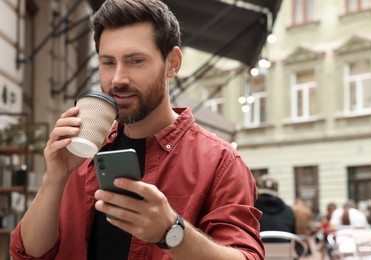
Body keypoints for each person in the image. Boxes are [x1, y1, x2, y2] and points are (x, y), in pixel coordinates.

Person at [9, 0, 264, 259]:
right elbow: (27, 253)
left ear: (172, 63)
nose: (118, 78)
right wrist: (55, 176)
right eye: (108, 62)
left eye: (135, 61)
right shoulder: (82, 154)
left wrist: (171, 233)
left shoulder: (221, 162)